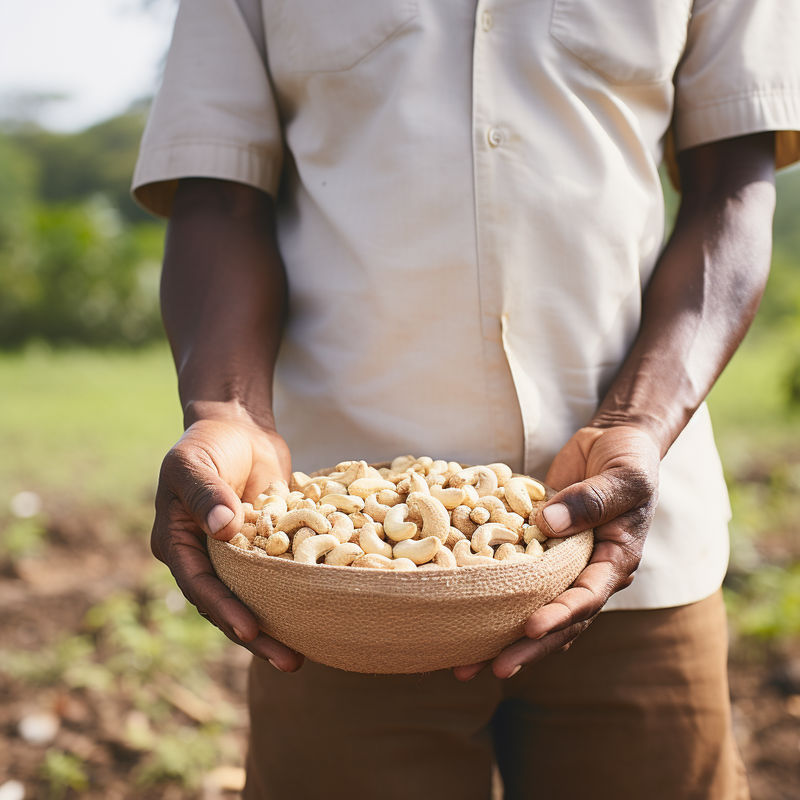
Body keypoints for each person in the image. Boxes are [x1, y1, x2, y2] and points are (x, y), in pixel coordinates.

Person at [132, 1, 800, 798]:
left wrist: (638, 421)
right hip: (343, 598)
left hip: (634, 549)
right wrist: (225, 410)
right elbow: (221, 190)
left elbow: (732, 181)